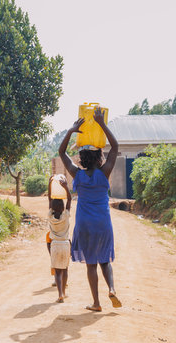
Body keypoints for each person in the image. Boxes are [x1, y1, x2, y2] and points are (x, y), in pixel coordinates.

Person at [58, 106, 122, 312]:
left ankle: (96, 303)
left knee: (91, 264)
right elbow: (115, 146)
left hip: (84, 224)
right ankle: (111, 288)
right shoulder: (105, 172)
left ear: (82, 158)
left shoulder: (77, 174)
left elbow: (61, 152)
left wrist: (70, 131)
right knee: (105, 260)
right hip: (103, 223)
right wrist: (101, 124)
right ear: (99, 158)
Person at [47, 176, 71, 303]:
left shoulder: (50, 216)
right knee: (65, 268)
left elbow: (50, 198)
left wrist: (50, 185)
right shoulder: (66, 215)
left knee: (57, 271)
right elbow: (70, 199)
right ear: (62, 207)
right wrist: (66, 187)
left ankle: (60, 294)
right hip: (66, 244)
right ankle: (64, 292)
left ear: (52, 207)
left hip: (55, 245)